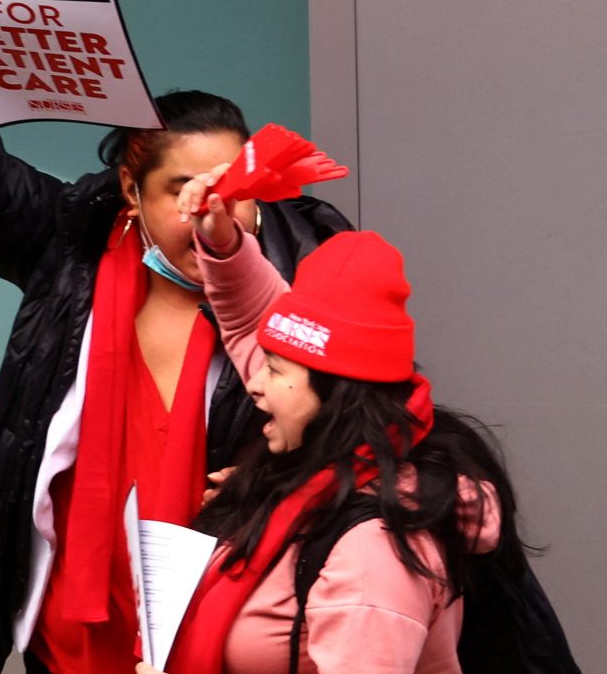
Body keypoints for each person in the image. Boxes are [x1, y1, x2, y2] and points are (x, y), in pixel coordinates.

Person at [0, 0, 350, 674]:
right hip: (74, 627)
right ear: (131, 192)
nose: (210, 209)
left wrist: (279, 486)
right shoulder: (70, 244)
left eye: (234, 184)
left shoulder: (312, 262)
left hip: (234, 621)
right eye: (183, 190)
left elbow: (369, 427)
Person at [131, 177, 522, 674]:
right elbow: (262, 324)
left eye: (273, 370)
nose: (253, 383)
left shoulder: (374, 555)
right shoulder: (329, 470)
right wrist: (224, 245)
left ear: (334, 396)